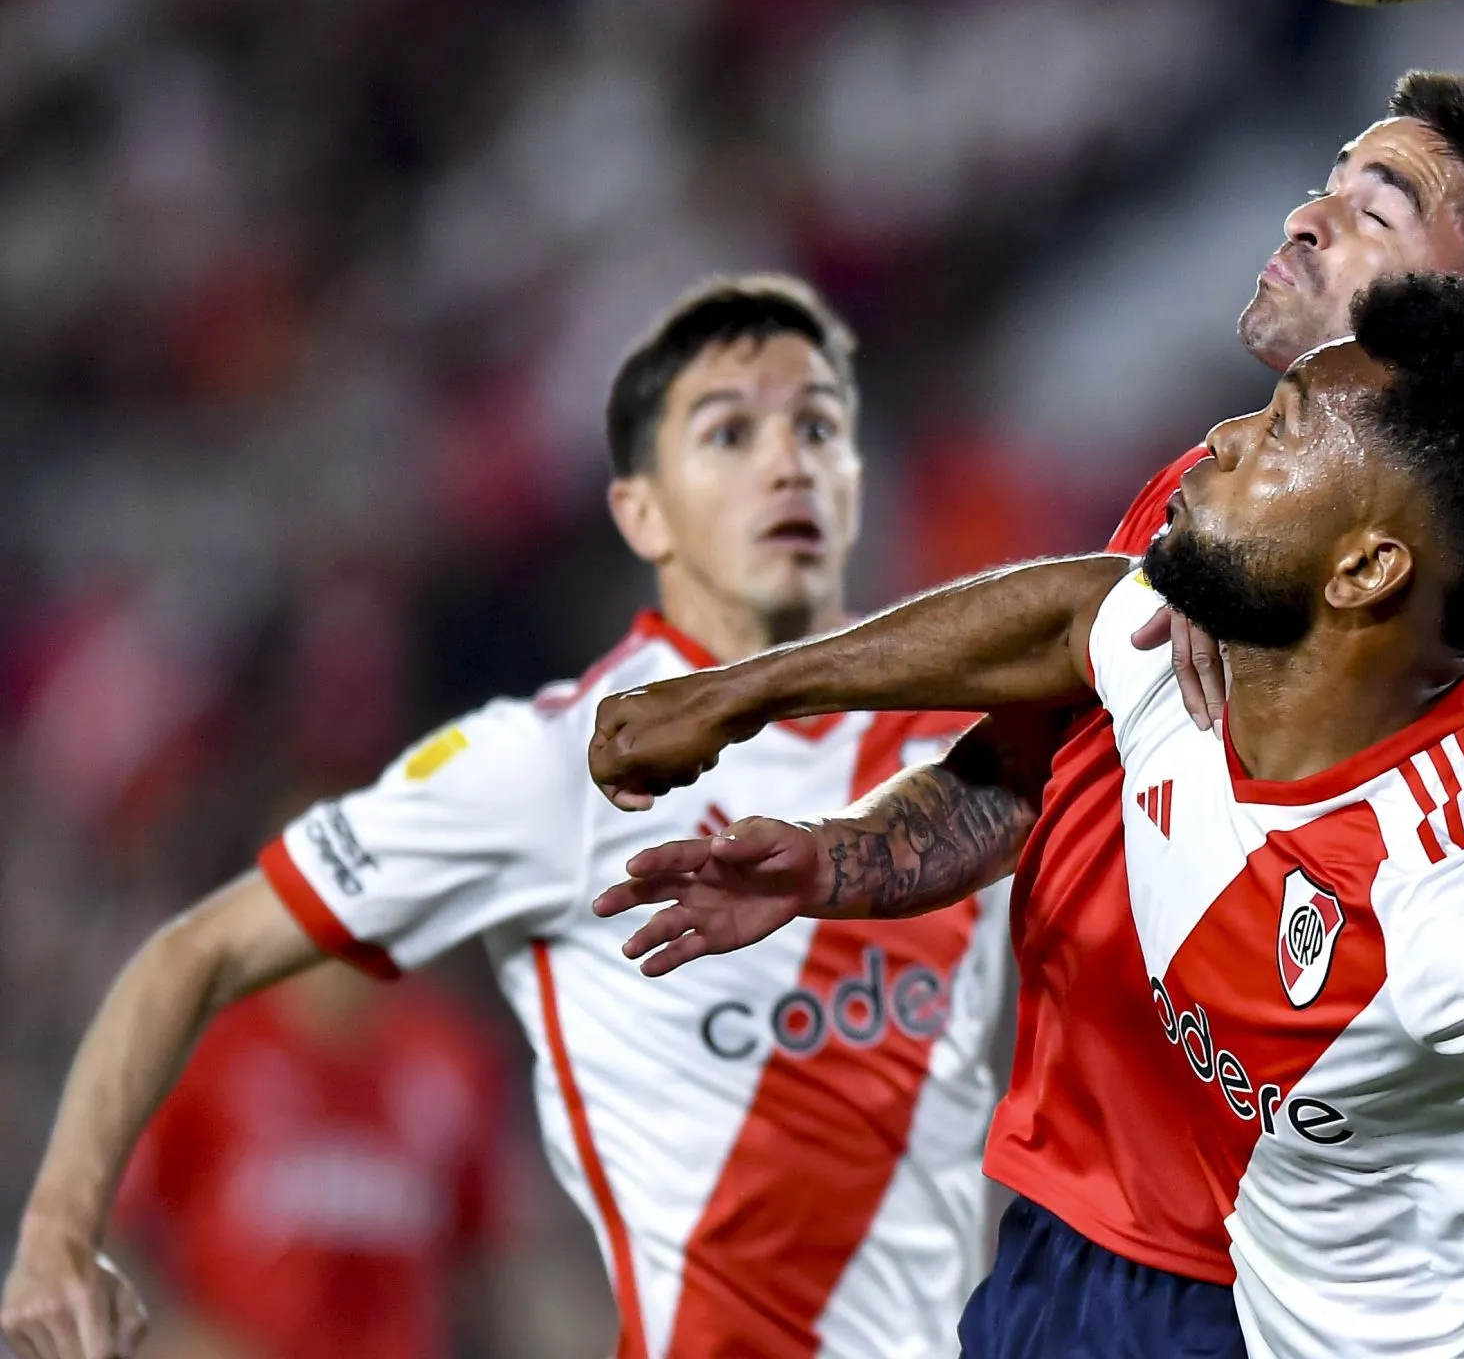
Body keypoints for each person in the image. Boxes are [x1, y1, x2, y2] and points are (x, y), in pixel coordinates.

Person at [590, 274, 1464, 1359]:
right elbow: (1076, 614)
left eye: (1281, 430)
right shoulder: (1202, 653)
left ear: (1366, 570)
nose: (1221, 437)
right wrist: (752, 700)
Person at [589, 71, 1464, 1355]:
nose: (1312, 213)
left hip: (1275, 1278)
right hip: (1065, 1220)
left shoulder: (1457, 554)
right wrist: (828, 860)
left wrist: (1433, 511)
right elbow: (1035, 772)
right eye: (1332, 172)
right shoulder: (1215, 488)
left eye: (1380, 208)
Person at [1, 275, 1007, 1359]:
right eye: (727, 435)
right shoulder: (539, 770)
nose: (782, 464)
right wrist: (56, 1238)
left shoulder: (979, 752)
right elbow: (190, 956)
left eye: (814, 427)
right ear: (640, 509)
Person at [112, 964, 511, 1359]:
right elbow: (122, 1223)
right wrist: (169, 1328)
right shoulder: (212, 1046)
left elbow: (479, 1249)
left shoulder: (451, 1053)